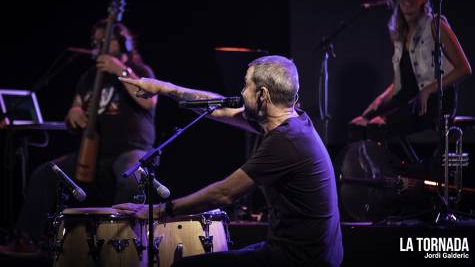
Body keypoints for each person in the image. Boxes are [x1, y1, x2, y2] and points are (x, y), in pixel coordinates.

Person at [114, 55, 343, 267]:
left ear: (262, 95)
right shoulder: (291, 120)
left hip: (300, 259)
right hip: (301, 252)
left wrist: (160, 211)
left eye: (246, 85)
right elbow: (218, 108)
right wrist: (162, 88)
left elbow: (223, 194)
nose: (241, 92)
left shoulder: (286, 142)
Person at [0, 20, 157, 256]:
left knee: (132, 175)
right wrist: (73, 113)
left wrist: (121, 72)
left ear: (123, 44)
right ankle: (27, 240)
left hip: (130, 150)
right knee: (46, 173)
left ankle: (119, 247)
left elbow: (149, 99)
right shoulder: (88, 78)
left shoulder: (141, 72)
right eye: (95, 42)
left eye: (105, 40)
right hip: (94, 155)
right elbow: (75, 108)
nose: (98, 46)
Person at [350, 0, 471, 141]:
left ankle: (403, 168)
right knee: (357, 127)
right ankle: (383, 167)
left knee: (377, 127)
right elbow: (397, 85)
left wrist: (428, 90)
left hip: (435, 100)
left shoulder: (435, 25)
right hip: (407, 98)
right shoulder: (399, 33)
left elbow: (464, 68)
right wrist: (370, 111)